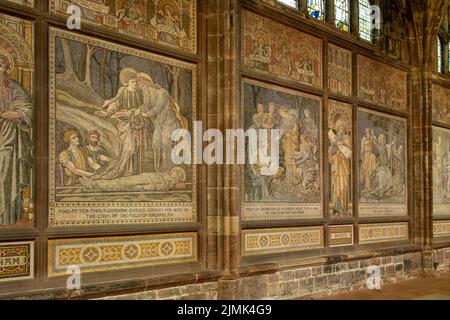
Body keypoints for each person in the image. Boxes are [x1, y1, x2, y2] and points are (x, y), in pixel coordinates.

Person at [0, 54, 33, 225]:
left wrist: (16, 113)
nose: (2, 71)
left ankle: (7, 216)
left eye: (5, 67)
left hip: (10, 136)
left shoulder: (13, 87)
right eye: (0, 67)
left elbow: (28, 108)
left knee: (7, 169)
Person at [97, 68, 145, 180]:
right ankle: (118, 170)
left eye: (136, 81)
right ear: (127, 82)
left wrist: (138, 111)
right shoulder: (123, 91)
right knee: (127, 148)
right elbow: (116, 103)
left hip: (136, 122)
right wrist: (108, 112)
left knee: (135, 146)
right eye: (133, 82)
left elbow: (143, 105)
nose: (135, 83)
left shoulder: (139, 92)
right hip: (125, 122)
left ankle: (130, 171)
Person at [137, 72, 188, 172]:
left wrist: (145, 114)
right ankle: (159, 170)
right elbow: (144, 107)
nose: (142, 88)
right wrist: (137, 110)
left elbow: (157, 108)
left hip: (170, 123)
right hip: (159, 124)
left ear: (148, 84)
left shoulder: (162, 92)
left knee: (165, 143)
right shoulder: (146, 96)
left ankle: (169, 169)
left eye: (143, 85)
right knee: (155, 143)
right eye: (140, 86)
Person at [80, 166, 186, 192]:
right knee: (120, 182)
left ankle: (93, 185)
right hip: (146, 178)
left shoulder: (171, 182)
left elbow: (182, 186)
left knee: (121, 186)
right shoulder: (166, 175)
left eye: (178, 174)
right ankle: (93, 184)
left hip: (148, 183)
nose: (176, 174)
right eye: (176, 172)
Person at [329, 119, 351, 216]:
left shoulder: (346, 140)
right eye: (339, 128)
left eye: (342, 128)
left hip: (344, 167)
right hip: (336, 167)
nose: (341, 130)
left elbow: (349, 154)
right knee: (337, 186)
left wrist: (342, 145)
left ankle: (343, 208)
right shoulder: (333, 140)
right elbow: (330, 155)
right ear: (337, 129)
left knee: (344, 186)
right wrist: (334, 149)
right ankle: (337, 208)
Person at [360, 128, 377, 194]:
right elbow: (362, 149)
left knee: (371, 171)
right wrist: (362, 156)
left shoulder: (372, 138)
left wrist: (372, 135)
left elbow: (374, 145)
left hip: (370, 155)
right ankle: (367, 187)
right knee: (366, 172)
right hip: (366, 155)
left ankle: (371, 187)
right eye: (367, 132)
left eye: (369, 132)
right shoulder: (363, 139)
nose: (368, 133)